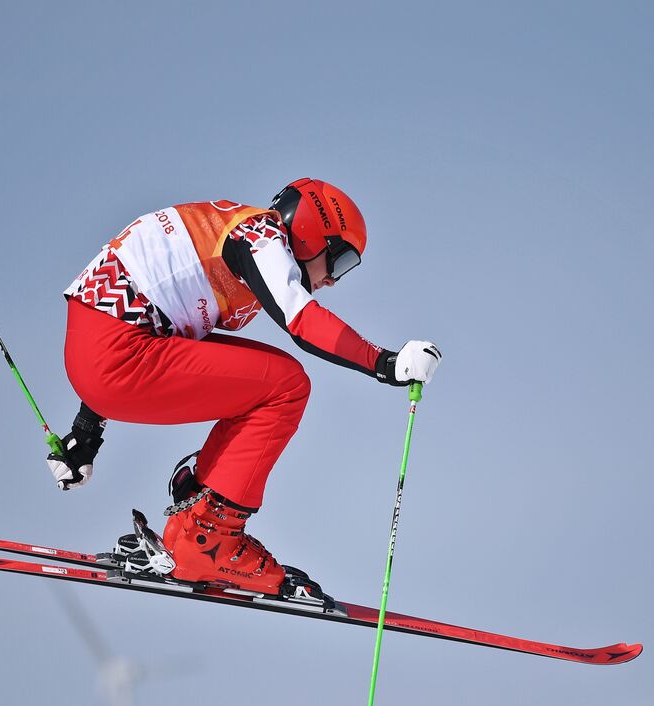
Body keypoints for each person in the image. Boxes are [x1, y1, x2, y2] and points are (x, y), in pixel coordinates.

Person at [46, 178, 441, 596]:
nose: (333, 281)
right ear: (309, 233)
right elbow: (301, 320)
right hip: (119, 355)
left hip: (101, 350)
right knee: (285, 386)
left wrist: (87, 428)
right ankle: (208, 543)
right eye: (339, 261)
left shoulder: (230, 230)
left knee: (264, 380)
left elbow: (142, 300)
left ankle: (193, 526)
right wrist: (386, 363)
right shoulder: (260, 236)